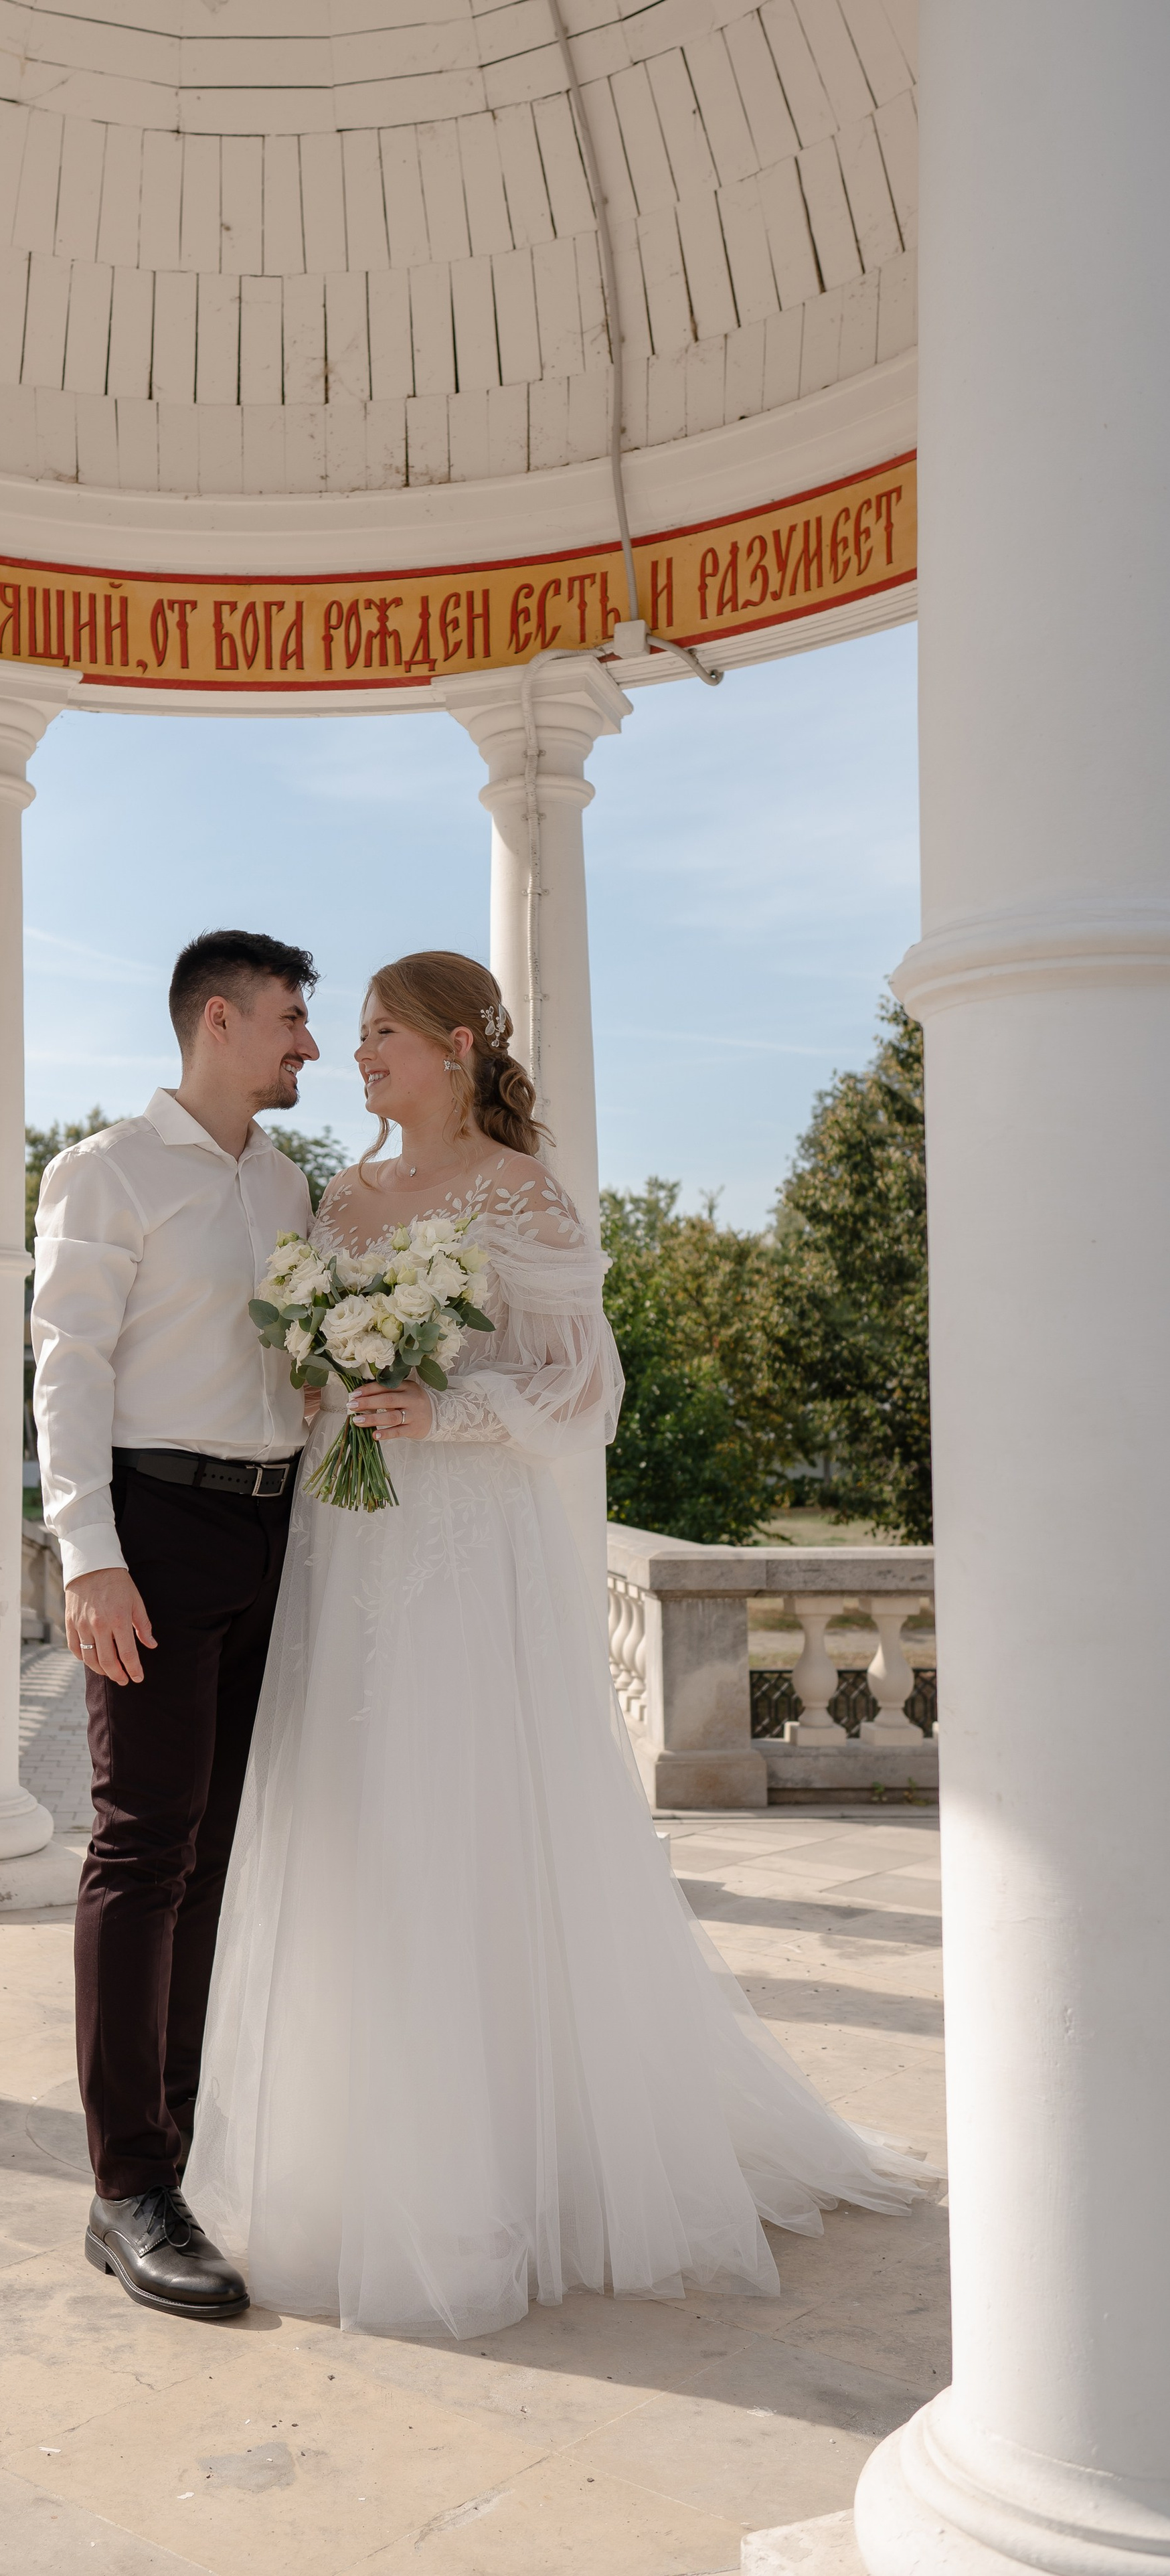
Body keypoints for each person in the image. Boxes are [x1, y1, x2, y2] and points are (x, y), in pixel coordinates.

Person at [185, 951, 926, 2338]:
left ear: (459, 1044)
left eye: (382, 1035)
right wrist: (330, 1379)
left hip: (464, 1555)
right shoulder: (341, 1197)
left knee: (463, 1823)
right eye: (354, 1036)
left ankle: (501, 2169)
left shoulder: (522, 1191)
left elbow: (584, 1388)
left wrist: (446, 1409)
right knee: (351, 1823)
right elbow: (304, 1366)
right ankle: (351, 2158)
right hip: (349, 1544)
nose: (359, 1056)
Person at [31, 929, 321, 2320]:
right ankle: (127, 2186)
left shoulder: (288, 1183)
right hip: (153, 1526)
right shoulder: (104, 1170)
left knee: (213, 1849)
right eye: (291, 1018)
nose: (309, 1044)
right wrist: (89, 1554)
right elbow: (67, 1365)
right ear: (219, 1018)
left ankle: (176, 2149)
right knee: (142, 1845)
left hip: (277, 1529)